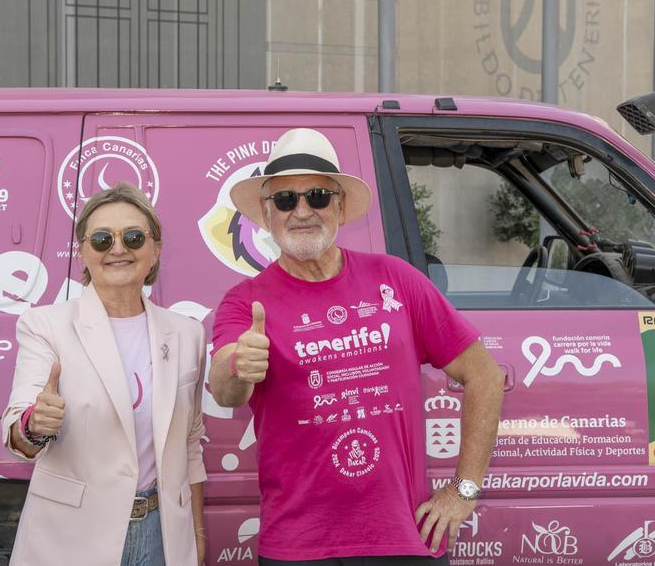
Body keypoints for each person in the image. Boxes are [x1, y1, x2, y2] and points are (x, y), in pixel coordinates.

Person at [209, 128, 505, 564]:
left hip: (404, 539)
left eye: (318, 197)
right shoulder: (243, 302)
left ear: (341, 206)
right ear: (266, 214)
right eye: (286, 200)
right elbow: (223, 386)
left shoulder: (396, 279)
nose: (303, 211)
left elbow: (484, 375)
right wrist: (239, 365)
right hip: (298, 546)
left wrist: (463, 491)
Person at [2, 183, 207, 566]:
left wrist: (195, 535)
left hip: (163, 538)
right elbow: (20, 435)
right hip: (72, 538)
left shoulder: (187, 334)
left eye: (132, 237)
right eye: (101, 239)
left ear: (155, 249)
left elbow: (191, 444)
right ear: (82, 250)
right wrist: (35, 424)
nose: (118, 249)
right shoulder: (45, 325)